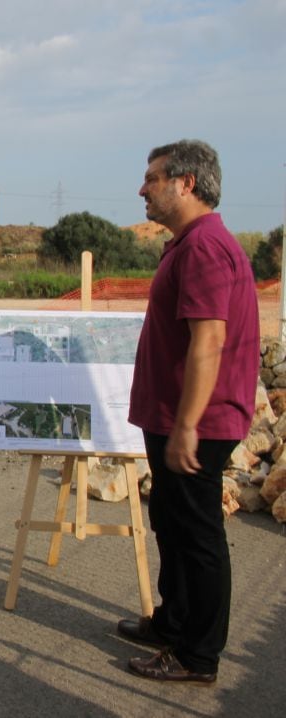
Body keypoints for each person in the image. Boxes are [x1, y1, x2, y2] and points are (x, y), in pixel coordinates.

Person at [121, 140, 260, 684]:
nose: (143, 188)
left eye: (152, 177)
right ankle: (172, 623)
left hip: (196, 422)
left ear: (186, 183)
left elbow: (209, 343)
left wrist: (186, 426)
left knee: (197, 536)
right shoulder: (190, 243)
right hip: (178, 419)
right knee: (173, 525)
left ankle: (197, 655)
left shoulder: (203, 247)